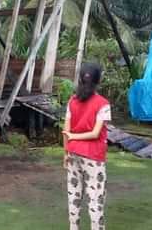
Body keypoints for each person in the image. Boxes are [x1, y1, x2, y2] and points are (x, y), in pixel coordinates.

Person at [62, 63, 111, 230]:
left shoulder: (72, 101)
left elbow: (66, 131)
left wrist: (66, 152)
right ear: (99, 79)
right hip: (93, 157)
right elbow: (96, 133)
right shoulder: (103, 104)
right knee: (95, 197)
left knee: (74, 194)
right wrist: (74, 137)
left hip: (74, 152)